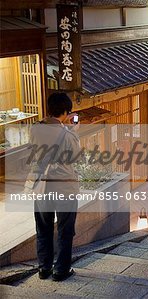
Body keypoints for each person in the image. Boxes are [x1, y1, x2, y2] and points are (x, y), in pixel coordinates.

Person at [30, 93, 81, 281]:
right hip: (64, 189)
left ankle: (44, 268)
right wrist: (74, 132)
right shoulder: (68, 135)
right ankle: (61, 270)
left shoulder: (35, 129)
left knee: (43, 228)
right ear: (67, 112)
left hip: (42, 187)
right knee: (65, 230)